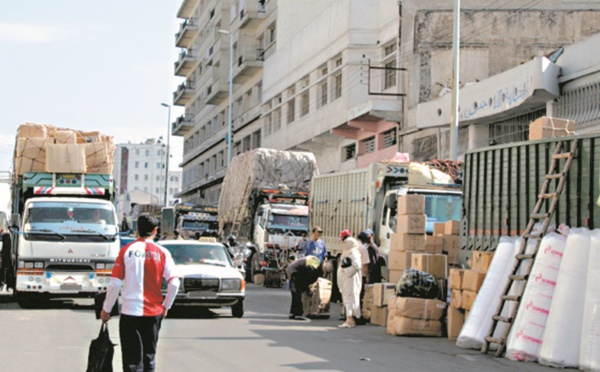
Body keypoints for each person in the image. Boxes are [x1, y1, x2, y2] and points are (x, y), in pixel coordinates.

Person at [101, 213, 180, 372]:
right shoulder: (162, 252)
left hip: (130, 313)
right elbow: (174, 283)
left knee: (131, 360)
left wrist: (106, 309)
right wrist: (166, 306)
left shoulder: (126, 251)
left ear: (137, 230)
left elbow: (115, 284)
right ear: (155, 230)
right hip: (153, 313)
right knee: (149, 358)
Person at [337, 230, 362, 328]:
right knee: (347, 298)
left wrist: (347, 271)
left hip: (350, 279)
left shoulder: (353, 252)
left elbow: (357, 266)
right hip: (346, 279)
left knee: (349, 298)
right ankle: (349, 317)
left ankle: (349, 319)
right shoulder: (347, 251)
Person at [286, 255, 323, 321]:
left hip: (292, 270)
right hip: (295, 272)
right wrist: (308, 289)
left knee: (295, 293)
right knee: (297, 293)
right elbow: (306, 279)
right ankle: (298, 314)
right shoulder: (313, 266)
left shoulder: (313, 261)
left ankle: (294, 313)